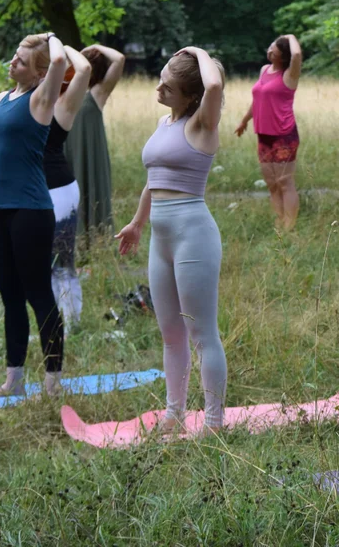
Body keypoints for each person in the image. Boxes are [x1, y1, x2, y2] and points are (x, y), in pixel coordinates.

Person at [116, 47, 227, 434]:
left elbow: (213, 82)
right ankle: (173, 414)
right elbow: (154, 179)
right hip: (160, 238)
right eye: (161, 76)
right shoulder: (166, 123)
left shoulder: (203, 124)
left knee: (202, 334)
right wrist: (136, 222)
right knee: (170, 334)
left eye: (170, 85)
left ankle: (214, 423)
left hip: (192, 234)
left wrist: (196, 51)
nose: (159, 86)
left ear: (192, 96)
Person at [0, 33, 71, 398]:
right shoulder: (3, 99)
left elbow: (62, 64)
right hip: (0, 210)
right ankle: (13, 381)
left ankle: (52, 382)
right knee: (10, 297)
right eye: (13, 56)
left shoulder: (41, 99)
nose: (11, 62)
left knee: (38, 294)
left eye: (20, 60)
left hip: (31, 210)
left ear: (37, 73)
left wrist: (51, 38)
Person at [44, 50, 93, 333]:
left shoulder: (61, 106)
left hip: (59, 191)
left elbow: (83, 69)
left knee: (62, 261)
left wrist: (55, 42)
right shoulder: (23, 100)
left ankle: (71, 324)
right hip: (32, 191)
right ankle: (53, 321)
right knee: (43, 264)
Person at [235, 35, 303, 230]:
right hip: (263, 133)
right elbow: (258, 100)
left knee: (284, 181)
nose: (269, 50)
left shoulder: (289, 75)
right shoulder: (264, 70)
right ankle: (279, 222)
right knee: (272, 183)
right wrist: (244, 121)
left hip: (284, 134)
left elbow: (297, 53)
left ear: (283, 55)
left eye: (274, 48)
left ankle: (290, 225)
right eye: (270, 46)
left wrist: (289, 36)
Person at [64, 44, 125, 241]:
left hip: (90, 154)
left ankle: (94, 243)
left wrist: (95, 46)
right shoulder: (66, 91)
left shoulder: (97, 92)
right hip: (68, 152)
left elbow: (119, 59)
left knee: (91, 191)